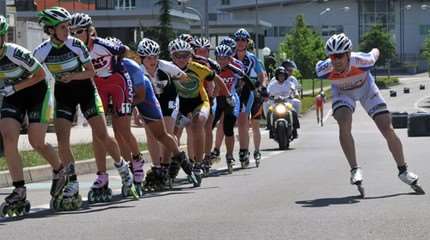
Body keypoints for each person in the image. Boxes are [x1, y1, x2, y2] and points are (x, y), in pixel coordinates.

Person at [35, 7, 133, 209]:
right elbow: (33, 73)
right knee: (63, 142)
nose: (67, 30)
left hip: (86, 91)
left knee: (102, 135)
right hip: (63, 96)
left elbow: (91, 72)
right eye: (63, 27)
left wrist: (72, 76)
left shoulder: (77, 45)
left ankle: (122, 168)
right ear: (51, 30)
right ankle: (72, 182)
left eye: (68, 26)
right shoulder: (42, 51)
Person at [316, 33, 425, 196]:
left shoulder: (362, 61)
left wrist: (378, 48)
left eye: (339, 56)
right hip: (343, 93)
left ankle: (403, 171)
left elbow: (375, 52)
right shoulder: (323, 69)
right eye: (332, 57)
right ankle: (354, 169)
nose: (336, 60)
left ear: (348, 54)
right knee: (344, 122)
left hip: (367, 90)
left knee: (386, 128)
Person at [0, 15, 65, 216]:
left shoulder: (15, 52)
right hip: (13, 96)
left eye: (0, 36)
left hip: (37, 93)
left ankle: (59, 170)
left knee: (36, 141)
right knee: (9, 138)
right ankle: (19, 189)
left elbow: (40, 75)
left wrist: (15, 87)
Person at [69, 13, 138, 201]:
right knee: (98, 133)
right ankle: (102, 175)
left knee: (122, 130)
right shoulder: (72, 49)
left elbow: (124, 49)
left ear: (89, 31)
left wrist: (126, 64)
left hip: (118, 83)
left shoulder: (100, 44)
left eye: (80, 31)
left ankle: (134, 165)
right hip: (97, 86)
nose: (76, 35)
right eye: (72, 32)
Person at [137, 38, 201, 188]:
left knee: (166, 133)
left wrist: (180, 82)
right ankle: (157, 167)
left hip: (168, 99)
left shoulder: (166, 67)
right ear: (142, 58)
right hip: (150, 101)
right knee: (151, 135)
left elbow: (184, 76)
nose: (152, 61)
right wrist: (136, 112)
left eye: (155, 57)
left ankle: (166, 164)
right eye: (148, 58)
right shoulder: (138, 71)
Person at [168, 39, 231, 177]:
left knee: (198, 125)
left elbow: (217, 79)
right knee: (172, 133)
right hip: (181, 105)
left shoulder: (197, 67)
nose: (182, 59)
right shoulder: (168, 69)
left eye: (185, 55)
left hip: (200, 102)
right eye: (178, 55)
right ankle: (174, 160)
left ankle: (198, 163)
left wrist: (227, 95)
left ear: (190, 55)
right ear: (172, 56)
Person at [212, 44, 255, 172]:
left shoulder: (235, 68)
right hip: (216, 99)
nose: (222, 61)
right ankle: (208, 154)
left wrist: (256, 90)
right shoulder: (213, 68)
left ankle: (229, 155)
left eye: (225, 58)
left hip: (231, 99)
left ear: (230, 58)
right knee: (208, 126)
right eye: (219, 58)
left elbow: (246, 81)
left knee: (228, 128)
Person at [233, 28, 267, 167]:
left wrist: (261, 87)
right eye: (238, 40)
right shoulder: (231, 56)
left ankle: (254, 150)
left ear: (247, 42)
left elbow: (262, 75)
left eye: (243, 40)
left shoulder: (252, 58)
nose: (240, 43)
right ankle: (244, 150)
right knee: (241, 123)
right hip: (236, 92)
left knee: (252, 123)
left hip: (251, 92)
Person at [266, 66, 300, 138]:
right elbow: (268, 92)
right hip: (275, 103)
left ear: (285, 76)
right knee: (269, 111)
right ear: (277, 76)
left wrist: (294, 93)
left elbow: (293, 89)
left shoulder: (289, 83)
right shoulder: (272, 84)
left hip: (287, 102)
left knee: (293, 111)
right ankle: (270, 128)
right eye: (279, 75)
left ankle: (295, 129)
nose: (281, 77)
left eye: (283, 75)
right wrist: (267, 96)